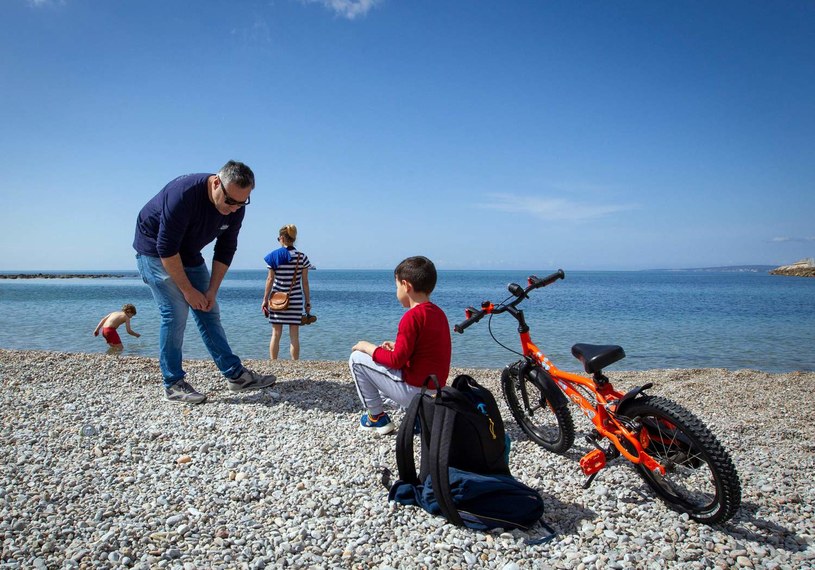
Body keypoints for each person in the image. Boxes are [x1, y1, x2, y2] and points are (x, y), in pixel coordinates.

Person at [133, 160, 276, 404]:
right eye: (230, 201)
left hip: (188, 252)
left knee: (209, 309)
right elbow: (165, 247)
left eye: (242, 202)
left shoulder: (236, 206)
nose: (234, 208)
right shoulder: (183, 195)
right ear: (216, 183)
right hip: (155, 251)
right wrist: (188, 291)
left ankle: (236, 376)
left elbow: (225, 249)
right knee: (175, 312)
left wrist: (211, 291)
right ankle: (173, 384)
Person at [349, 256, 451, 435]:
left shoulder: (411, 317)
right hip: (435, 391)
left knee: (357, 359)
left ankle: (376, 417)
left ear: (406, 285)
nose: (397, 291)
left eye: (397, 286)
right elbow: (427, 350)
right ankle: (420, 417)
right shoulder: (438, 313)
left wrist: (368, 347)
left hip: (414, 392)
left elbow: (396, 361)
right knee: (380, 365)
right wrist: (398, 346)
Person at [262, 224, 314, 360]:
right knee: (294, 335)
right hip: (295, 299)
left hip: (276, 300)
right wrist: (307, 302)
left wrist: (264, 300)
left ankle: (273, 362)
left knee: (276, 333)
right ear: (293, 238)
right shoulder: (302, 257)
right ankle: (295, 363)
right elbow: (305, 283)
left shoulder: (273, 256)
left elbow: (269, 279)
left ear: (282, 238)